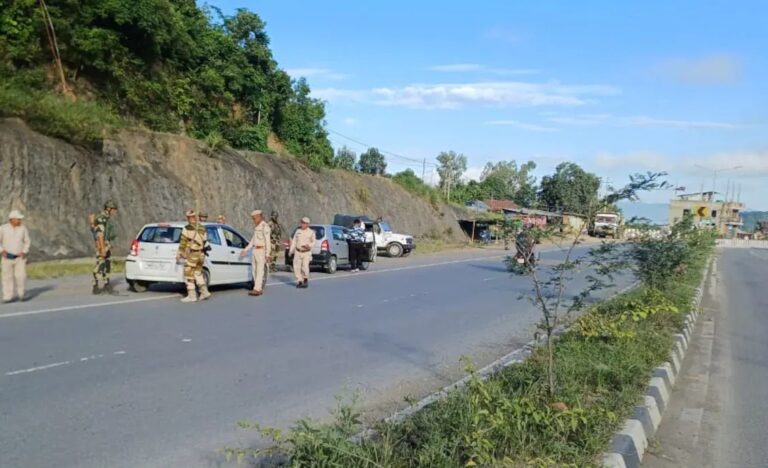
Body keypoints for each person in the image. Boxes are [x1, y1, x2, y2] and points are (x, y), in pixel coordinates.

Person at [176, 209, 211, 303]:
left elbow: (183, 243)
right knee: (198, 273)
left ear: (188, 218)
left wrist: (179, 254)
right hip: (201, 254)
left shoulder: (187, 228)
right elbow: (205, 241)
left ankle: (192, 295)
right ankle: (204, 292)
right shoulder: (202, 228)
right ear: (195, 217)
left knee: (188, 273)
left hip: (192, 254)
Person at [0, 210, 31, 303]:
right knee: (7, 277)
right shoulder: (2, 228)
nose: (20, 221)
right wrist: (1, 251)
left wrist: (24, 251)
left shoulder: (23, 229)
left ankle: (22, 294)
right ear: (12, 219)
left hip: (20, 257)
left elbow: (27, 241)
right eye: (18, 219)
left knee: (21, 276)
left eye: (20, 219)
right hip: (6, 257)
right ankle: (8, 296)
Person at [240, 210, 271, 296]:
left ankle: (258, 289)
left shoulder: (265, 227)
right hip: (255, 250)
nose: (253, 220)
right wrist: (245, 250)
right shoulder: (257, 227)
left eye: (254, 218)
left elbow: (267, 241)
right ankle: (257, 287)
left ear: (259, 216)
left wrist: (267, 254)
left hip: (261, 251)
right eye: (253, 219)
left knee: (260, 270)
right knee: (254, 270)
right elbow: (252, 241)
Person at [92, 200, 118, 295]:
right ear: (109, 209)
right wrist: (102, 248)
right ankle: (95, 286)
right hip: (102, 245)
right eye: (114, 209)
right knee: (100, 265)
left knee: (107, 265)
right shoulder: (101, 219)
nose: (115, 212)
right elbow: (100, 235)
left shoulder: (106, 218)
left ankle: (107, 284)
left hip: (106, 244)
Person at [289, 217, 316, 288]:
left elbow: (314, 242)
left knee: (305, 267)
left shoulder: (311, 232)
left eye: (304, 223)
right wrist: (291, 250)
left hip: (306, 252)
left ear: (307, 224)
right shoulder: (298, 231)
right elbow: (294, 241)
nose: (302, 224)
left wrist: (309, 245)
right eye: (302, 222)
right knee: (296, 267)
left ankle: (305, 279)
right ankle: (300, 281)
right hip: (298, 251)